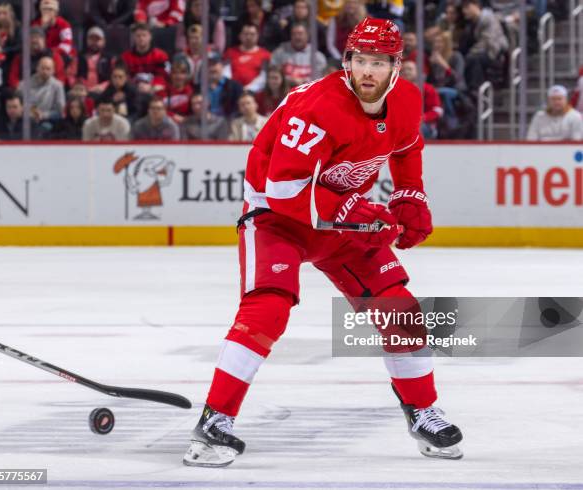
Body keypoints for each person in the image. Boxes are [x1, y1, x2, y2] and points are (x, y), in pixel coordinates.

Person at [182, 17, 463, 468]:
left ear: (397, 68)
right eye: (359, 60)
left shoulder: (407, 101)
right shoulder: (316, 106)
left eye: (379, 62)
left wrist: (411, 193)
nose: (367, 72)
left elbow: (407, 147)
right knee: (268, 309)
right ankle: (215, 422)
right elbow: (284, 190)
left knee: (400, 309)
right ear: (346, 61)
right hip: (276, 218)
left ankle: (423, 412)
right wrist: (351, 210)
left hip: (340, 222)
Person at [271, 22, 327, 88]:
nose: (297, 37)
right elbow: (272, 75)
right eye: (294, 34)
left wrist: (305, 81)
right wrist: (289, 80)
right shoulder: (279, 53)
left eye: (300, 34)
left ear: (307, 35)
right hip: (285, 92)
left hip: (308, 92)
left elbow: (321, 79)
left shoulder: (318, 57)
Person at [400, 60, 443, 140]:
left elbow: (438, 111)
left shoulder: (428, 89)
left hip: (425, 125)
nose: (406, 72)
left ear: (417, 72)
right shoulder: (394, 90)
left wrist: (423, 118)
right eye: (403, 70)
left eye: (410, 69)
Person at [19, 56, 65, 129]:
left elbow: (60, 111)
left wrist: (43, 115)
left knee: (46, 127)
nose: (45, 71)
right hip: (26, 119)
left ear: (53, 71)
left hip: (47, 120)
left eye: (48, 69)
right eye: (42, 68)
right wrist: (30, 113)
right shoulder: (24, 84)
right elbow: (19, 105)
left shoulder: (58, 86)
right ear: (37, 68)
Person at [120, 23, 169, 91]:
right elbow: (122, 76)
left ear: (150, 36)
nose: (141, 38)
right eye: (138, 36)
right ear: (133, 37)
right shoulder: (125, 57)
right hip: (132, 90)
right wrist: (135, 86)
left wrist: (151, 86)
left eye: (144, 35)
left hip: (154, 89)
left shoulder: (161, 55)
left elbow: (164, 76)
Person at [223, 23, 271, 93]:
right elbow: (226, 73)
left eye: (252, 34)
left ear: (258, 36)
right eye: (246, 34)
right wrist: (235, 88)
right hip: (233, 92)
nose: (248, 37)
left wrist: (249, 89)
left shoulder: (265, 55)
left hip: (256, 91)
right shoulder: (230, 52)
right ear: (240, 36)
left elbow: (264, 77)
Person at [76, 27, 112, 93]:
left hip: (104, 91)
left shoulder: (110, 59)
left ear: (103, 41)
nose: (94, 42)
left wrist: (103, 86)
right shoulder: (78, 57)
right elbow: (71, 75)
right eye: (92, 39)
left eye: (97, 40)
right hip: (82, 91)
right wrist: (77, 85)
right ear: (87, 40)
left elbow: (114, 77)